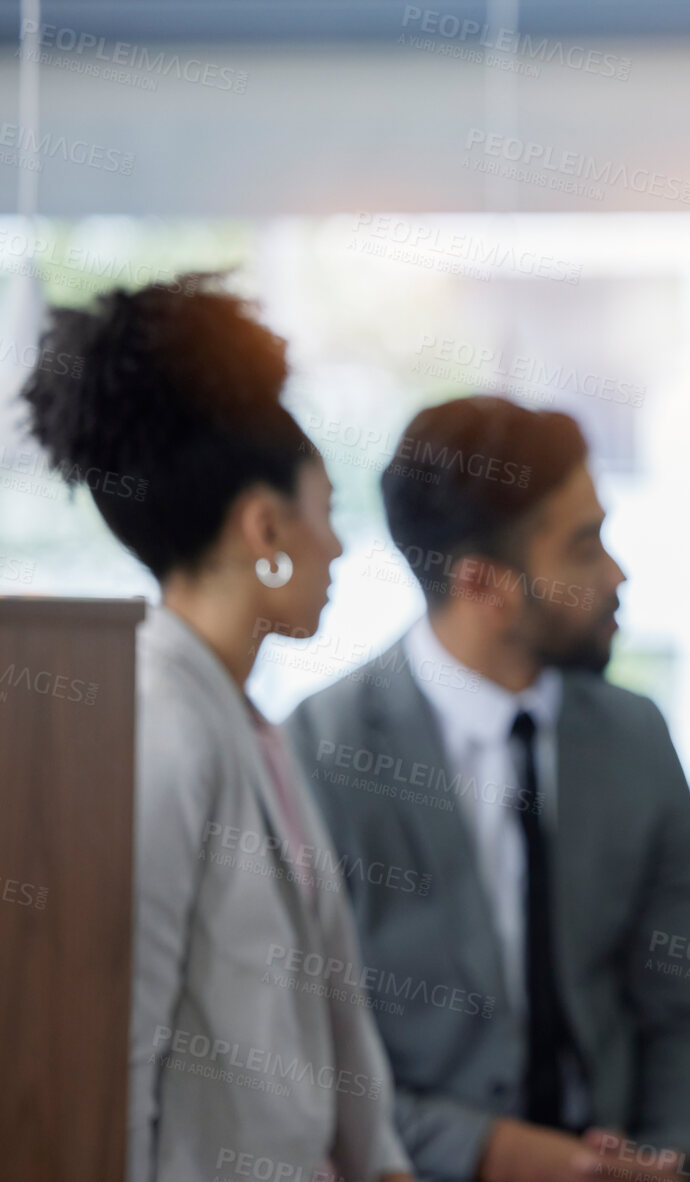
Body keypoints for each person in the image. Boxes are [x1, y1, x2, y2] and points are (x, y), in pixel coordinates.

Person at [20, 277, 414, 1182]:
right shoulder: (161, 723)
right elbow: (109, 1057)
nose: (339, 547)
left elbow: (329, 1016)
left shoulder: (242, 721)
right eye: (325, 511)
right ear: (264, 526)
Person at [286, 396, 690, 1182]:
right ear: (484, 585)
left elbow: (687, 1006)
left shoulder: (633, 736)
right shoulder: (319, 755)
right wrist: (503, 1156)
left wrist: (674, 1164)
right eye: (584, 546)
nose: (617, 574)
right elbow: (302, 1059)